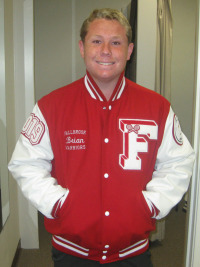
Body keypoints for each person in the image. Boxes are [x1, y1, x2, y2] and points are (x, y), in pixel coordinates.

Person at [8, 8, 195, 267]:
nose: (106, 50)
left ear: (129, 51)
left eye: (115, 42)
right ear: (82, 47)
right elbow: (25, 164)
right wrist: (59, 204)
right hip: (71, 253)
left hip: (133, 253)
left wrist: (150, 205)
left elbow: (179, 162)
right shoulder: (51, 107)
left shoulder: (157, 107)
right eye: (97, 41)